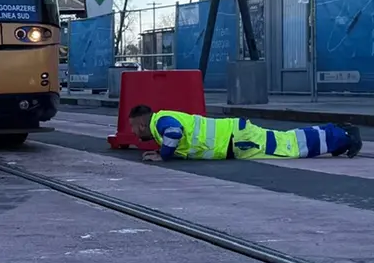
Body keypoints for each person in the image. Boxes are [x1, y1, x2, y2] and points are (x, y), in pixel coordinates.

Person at [127, 104, 363, 162]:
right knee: (288, 141)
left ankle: (344, 136)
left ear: (140, 124)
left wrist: (163, 155)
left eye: (132, 127)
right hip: (237, 138)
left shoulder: (160, 121)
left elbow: (173, 132)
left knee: (290, 146)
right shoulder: (161, 119)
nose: (133, 132)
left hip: (239, 141)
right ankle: (337, 138)